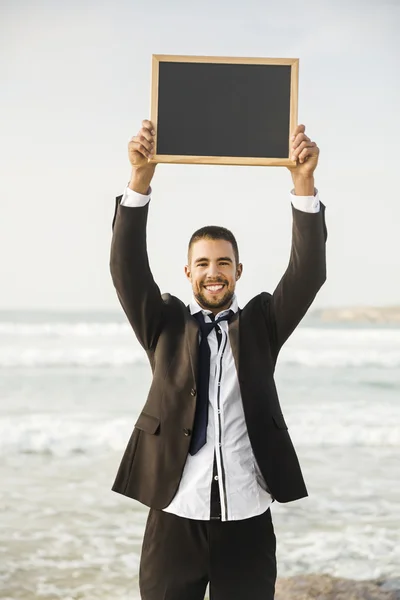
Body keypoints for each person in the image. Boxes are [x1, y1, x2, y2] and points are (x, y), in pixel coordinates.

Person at [110, 119, 327, 600]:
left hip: (247, 521)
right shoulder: (162, 323)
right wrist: (140, 181)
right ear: (188, 272)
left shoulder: (262, 324)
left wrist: (303, 184)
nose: (214, 273)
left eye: (223, 263)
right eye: (203, 264)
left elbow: (308, 273)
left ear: (238, 271)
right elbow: (126, 267)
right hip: (174, 518)